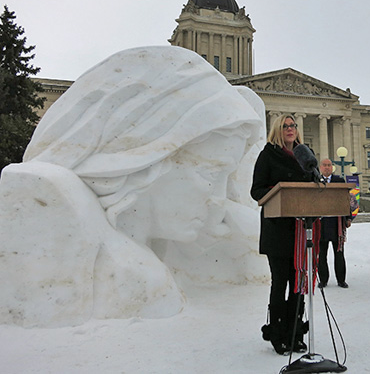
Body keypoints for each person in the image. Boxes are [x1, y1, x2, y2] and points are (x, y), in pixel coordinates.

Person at [0, 46, 265, 327]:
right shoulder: (129, 277)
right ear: (147, 156)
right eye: (210, 171)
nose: (219, 200)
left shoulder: (151, 262)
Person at [250, 114, 313, 355]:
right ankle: (278, 334)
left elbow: (312, 185)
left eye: (293, 126)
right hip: (277, 231)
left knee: (298, 284)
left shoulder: (304, 156)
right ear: (278, 129)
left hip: (300, 230)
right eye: (285, 126)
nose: (290, 129)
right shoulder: (268, 154)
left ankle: (296, 332)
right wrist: (278, 191)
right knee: (280, 282)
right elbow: (256, 190)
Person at [317, 158, 352, 289]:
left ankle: (341, 280)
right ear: (320, 167)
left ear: (332, 167)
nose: (327, 167)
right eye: (324, 165)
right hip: (321, 224)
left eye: (329, 165)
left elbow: (345, 199)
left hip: (336, 223)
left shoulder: (339, 181)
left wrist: (348, 218)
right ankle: (323, 280)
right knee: (321, 254)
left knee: (339, 253)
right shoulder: (316, 181)